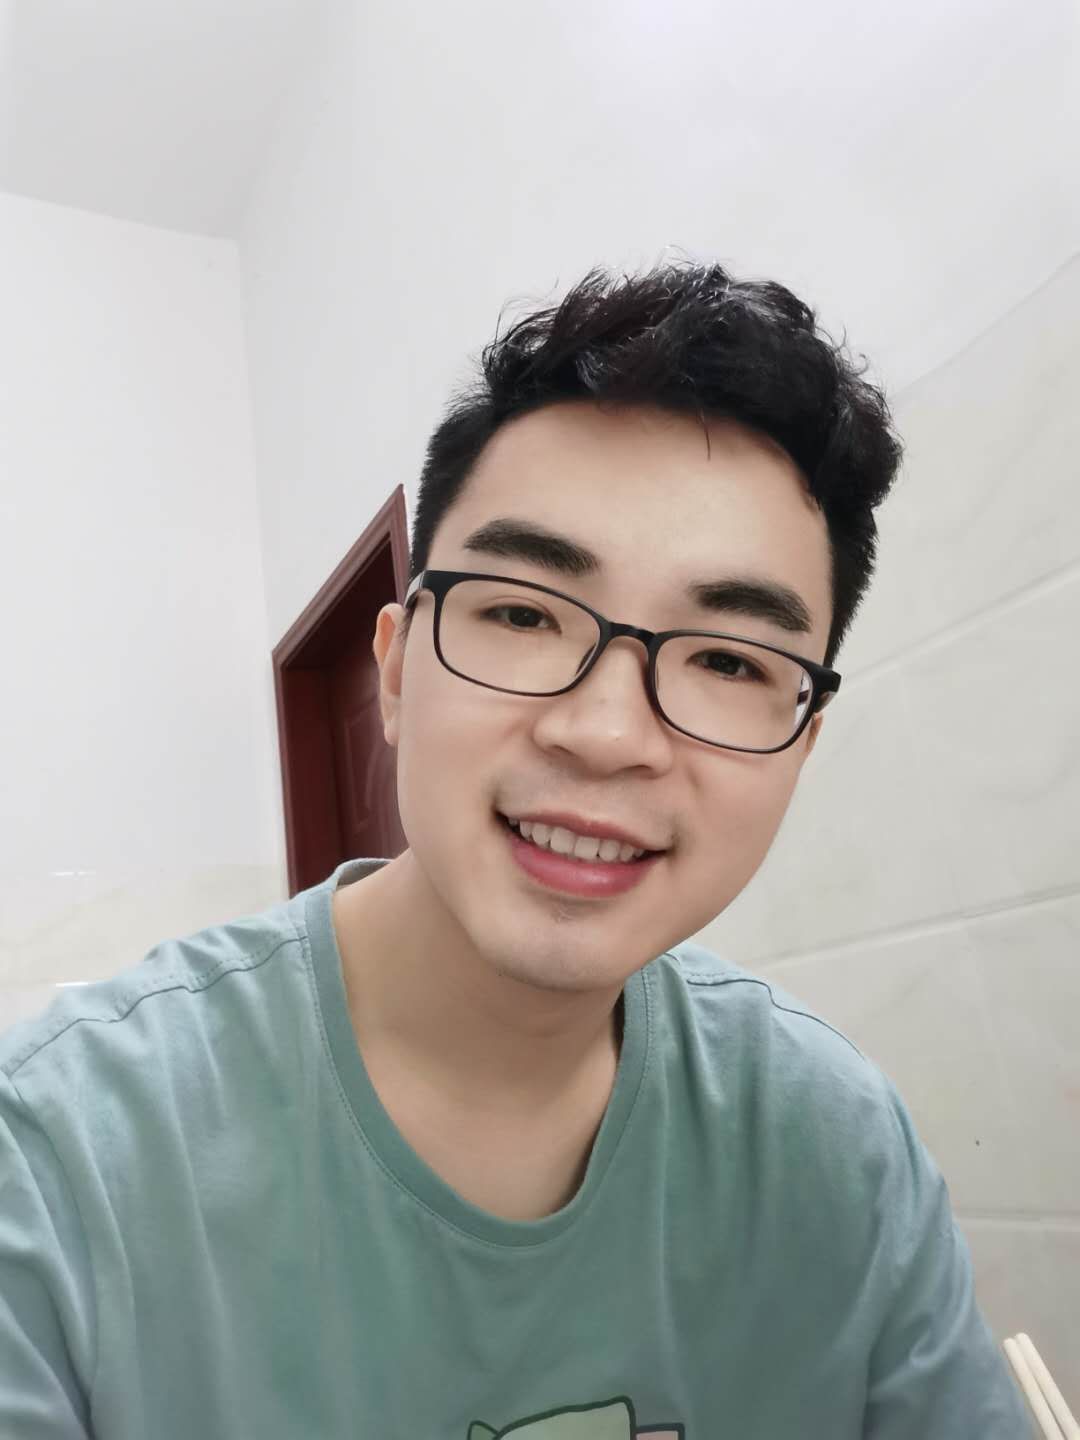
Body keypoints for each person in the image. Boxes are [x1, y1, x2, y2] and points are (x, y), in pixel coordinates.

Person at [0, 262, 1033, 1438]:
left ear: (801, 743)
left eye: (728, 660)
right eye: (524, 613)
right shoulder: (60, 1161)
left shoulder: (836, 1151)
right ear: (395, 671)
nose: (606, 734)